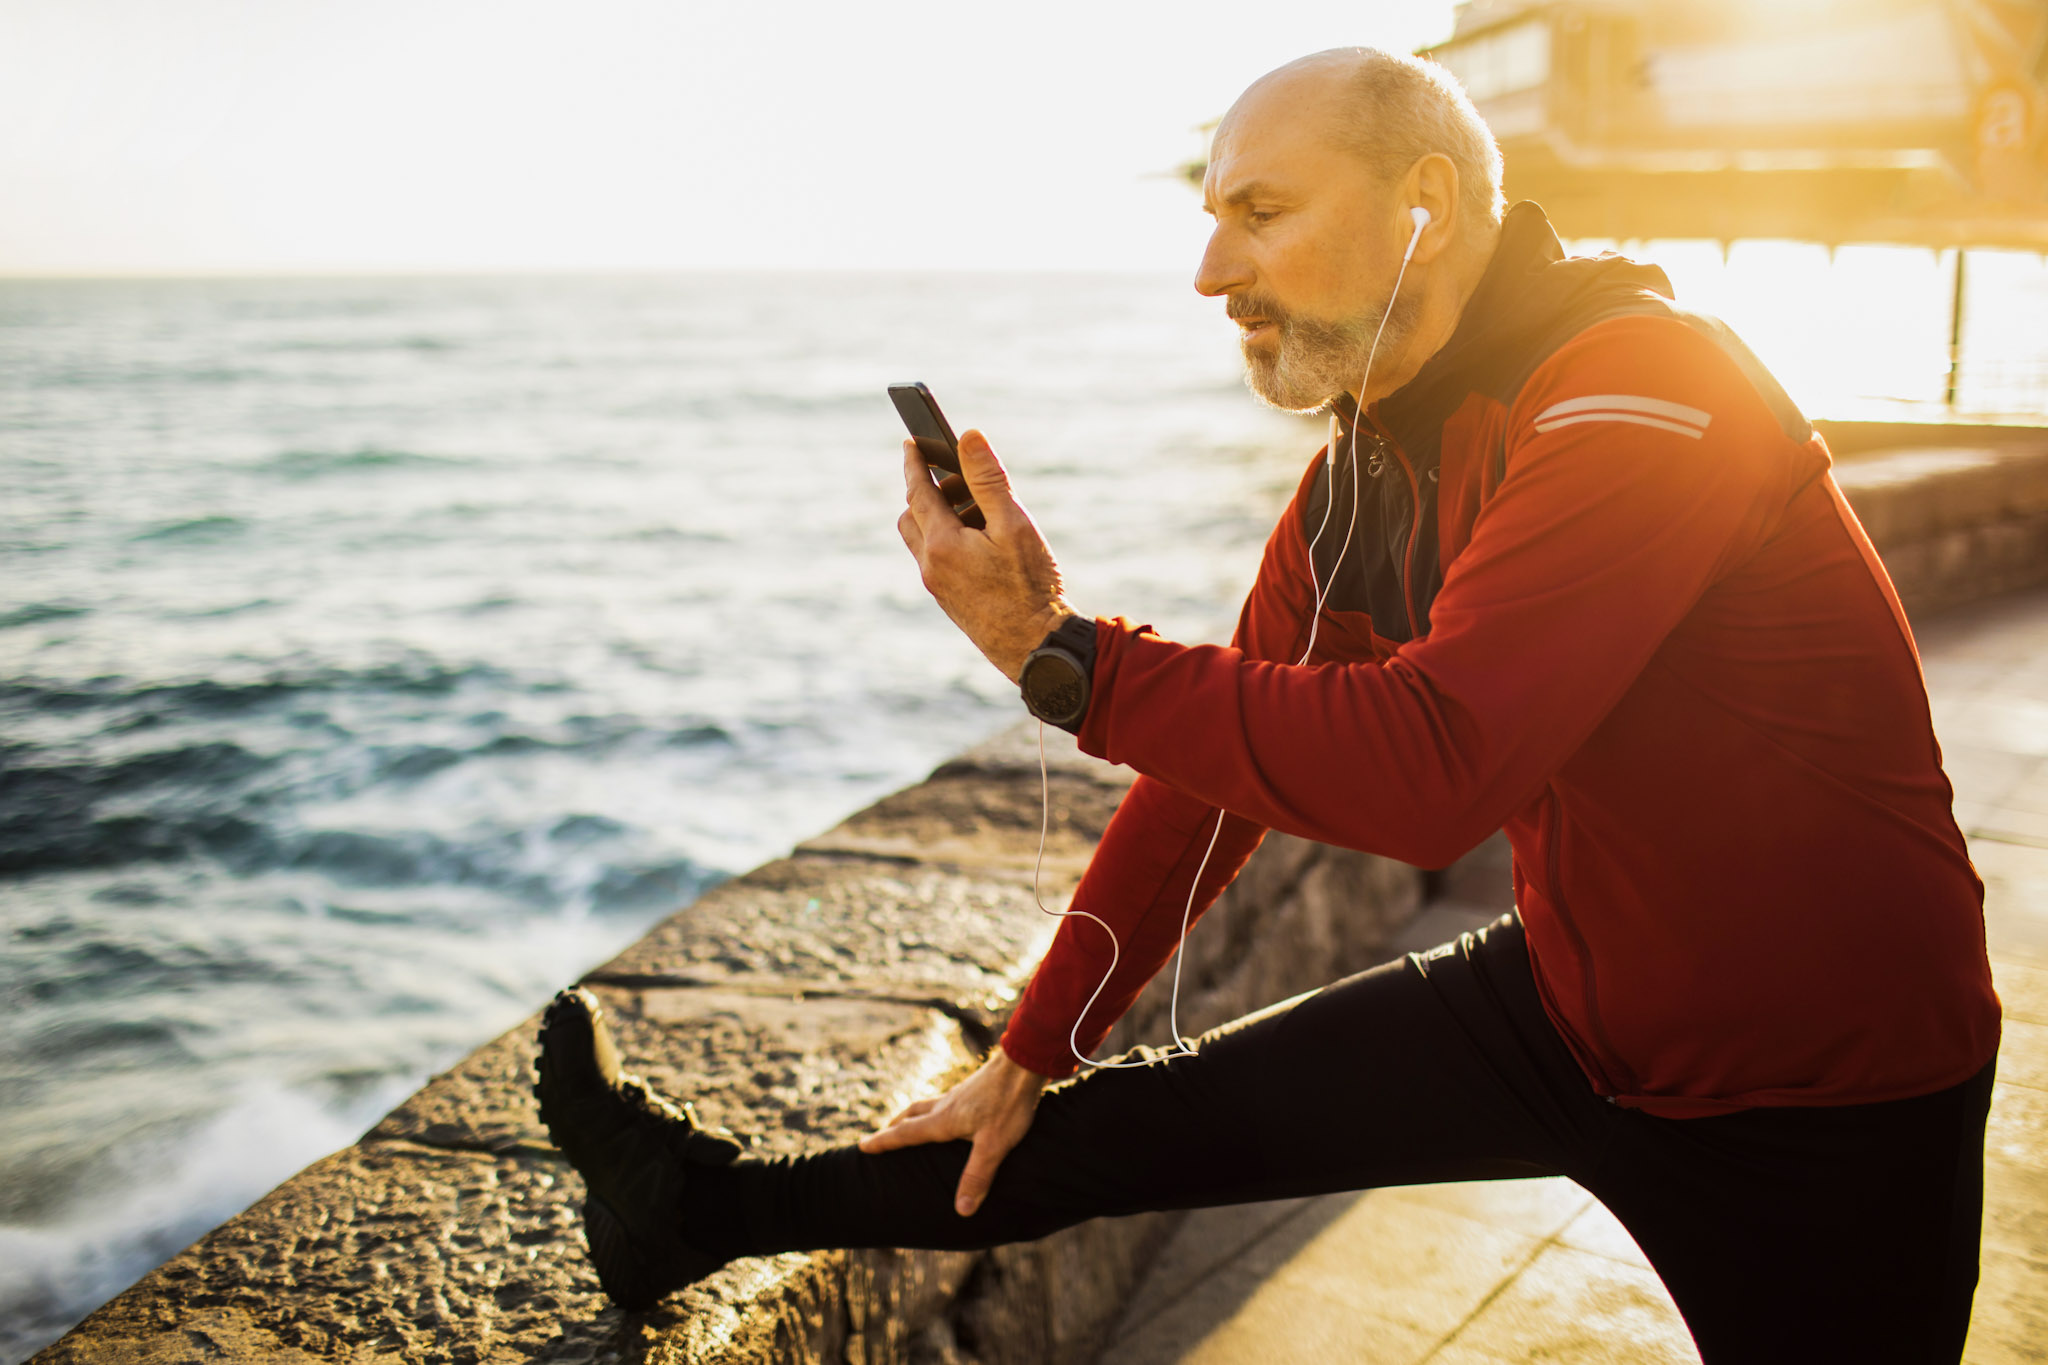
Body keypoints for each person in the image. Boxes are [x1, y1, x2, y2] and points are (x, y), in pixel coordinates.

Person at [534, 47, 2002, 1363]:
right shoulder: (1358, 475)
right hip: (1571, 1001)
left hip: (1828, 1091)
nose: (1210, 274)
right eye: (1210, 217)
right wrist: (1038, 1041)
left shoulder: (1644, 393)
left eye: (1260, 213)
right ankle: (691, 1210)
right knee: (1085, 1128)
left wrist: (1065, 654)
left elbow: (1439, 768)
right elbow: (1207, 790)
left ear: (1424, 201)